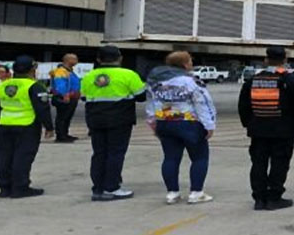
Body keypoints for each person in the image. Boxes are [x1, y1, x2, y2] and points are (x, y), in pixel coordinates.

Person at [238, 46, 294, 211]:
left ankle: (259, 199)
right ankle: (274, 197)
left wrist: (249, 124)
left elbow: (243, 106)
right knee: (280, 163)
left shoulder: (253, 81)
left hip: (258, 131)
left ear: (266, 60)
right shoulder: (291, 81)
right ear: (285, 60)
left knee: (258, 163)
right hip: (283, 131)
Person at [145, 51, 216, 205]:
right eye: (190, 61)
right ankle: (196, 192)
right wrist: (209, 124)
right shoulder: (191, 81)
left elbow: (151, 103)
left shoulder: (156, 81)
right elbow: (203, 103)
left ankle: (172, 193)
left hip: (165, 122)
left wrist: (153, 123)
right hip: (189, 123)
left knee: (170, 158)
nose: (191, 64)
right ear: (184, 64)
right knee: (199, 157)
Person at [80, 46, 147, 202]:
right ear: (120, 58)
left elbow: (83, 97)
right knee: (115, 153)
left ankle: (98, 188)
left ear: (98, 59)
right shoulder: (128, 74)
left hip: (95, 119)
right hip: (120, 119)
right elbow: (141, 96)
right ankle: (112, 187)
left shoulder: (88, 76)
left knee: (99, 153)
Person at [0, 56, 53, 198]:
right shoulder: (34, 86)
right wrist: (49, 127)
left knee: (3, 157)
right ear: (32, 69)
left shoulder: (2, 86)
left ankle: (5, 188)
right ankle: (20, 188)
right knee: (23, 157)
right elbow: (42, 108)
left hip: (4, 126)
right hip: (27, 126)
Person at [49, 53, 82, 142]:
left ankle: (65, 133)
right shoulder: (61, 71)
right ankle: (60, 136)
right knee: (62, 117)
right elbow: (60, 85)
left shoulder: (70, 71)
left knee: (67, 117)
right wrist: (65, 95)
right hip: (66, 97)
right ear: (68, 60)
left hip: (72, 97)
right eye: (74, 59)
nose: (77, 61)